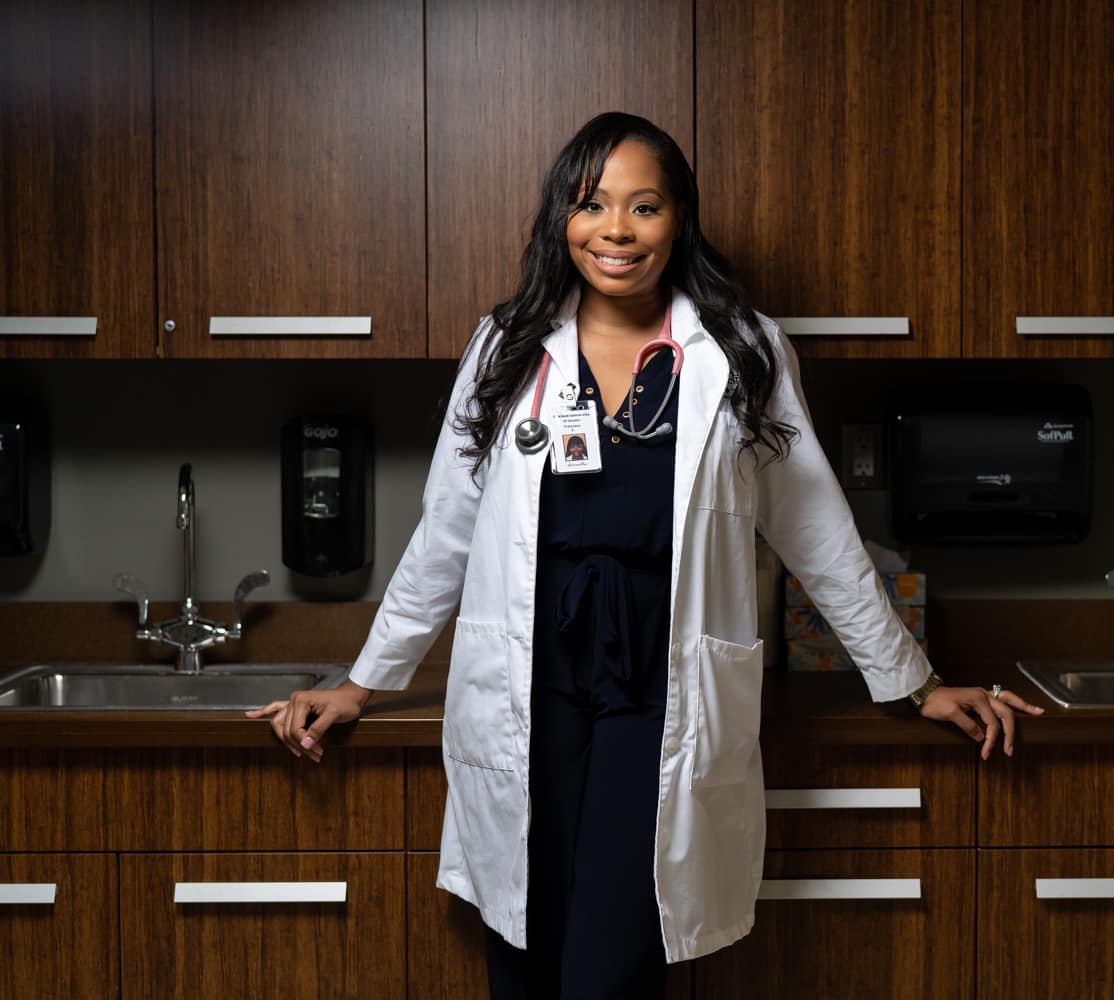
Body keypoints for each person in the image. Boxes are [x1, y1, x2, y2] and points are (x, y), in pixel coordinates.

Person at [248, 112, 1044, 1000]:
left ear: (679, 221)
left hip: (661, 686)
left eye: (644, 207)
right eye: (592, 206)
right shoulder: (506, 347)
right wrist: (360, 683)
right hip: (530, 676)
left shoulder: (739, 350)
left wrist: (917, 681)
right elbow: (446, 533)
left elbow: (817, 532)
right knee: (524, 952)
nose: (616, 232)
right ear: (563, 218)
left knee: (608, 970)